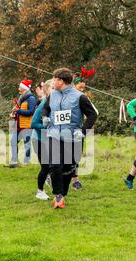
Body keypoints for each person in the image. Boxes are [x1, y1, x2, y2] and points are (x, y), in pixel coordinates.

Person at [42, 68, 98, 209]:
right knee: (54, 165)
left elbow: (92, 115)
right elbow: (46, 108)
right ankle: (58, 195)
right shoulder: (53, 94)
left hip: (72, 137)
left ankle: (63, 193)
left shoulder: (79, 97)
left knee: (69, 167)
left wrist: (83, 131)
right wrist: (45, 117)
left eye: (54, 79)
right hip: (54, 134)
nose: (52, 82)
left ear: (61, 81)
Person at [71, 67, 97, 190]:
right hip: (63, 130)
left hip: (77, 130)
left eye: (83, 88)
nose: (82, 90)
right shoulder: (66, 96)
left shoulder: (82, 98)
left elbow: (93, 113)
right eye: (79, 87)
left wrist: (84, 130)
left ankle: (75, 180)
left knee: (76, 156)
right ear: (74, 85)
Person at [31, 79, 53, 200]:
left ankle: (50, 181)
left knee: (52, 165)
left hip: (48, 140)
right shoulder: (44, 103)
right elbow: (33, 123)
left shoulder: (55, 103)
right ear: (47, 89)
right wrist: (46, 127)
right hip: (38, 139)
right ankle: (40, 191)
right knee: (45, 166)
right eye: (53, 88)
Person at [9, 79, 37, 167]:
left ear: (24, 88)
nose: (18, 88)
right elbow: (20, 111)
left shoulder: (31, 98)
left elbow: (31, 112)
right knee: (13, 141)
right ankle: (14, 160)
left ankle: (26, 161)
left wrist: (18, 110)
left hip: (27, 126)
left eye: (20, 87)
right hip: (18, 125)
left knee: (27, 144)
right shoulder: (21, 98)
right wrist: (14, 114)